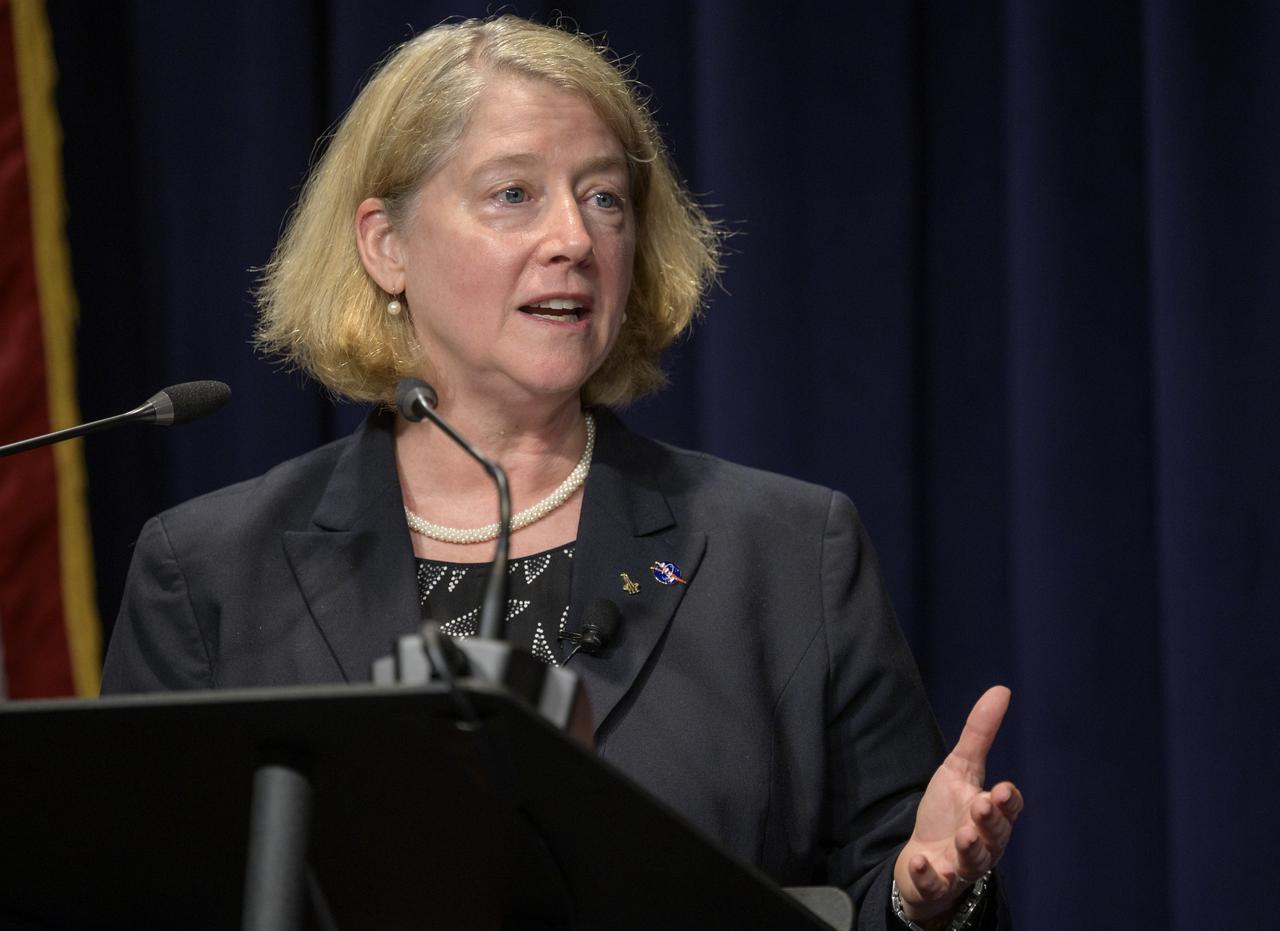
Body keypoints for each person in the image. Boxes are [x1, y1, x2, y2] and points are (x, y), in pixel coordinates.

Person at [102, 16, 1022, 929]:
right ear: (385, 244)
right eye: (513, 193)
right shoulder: (211, 573)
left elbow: (897, 880)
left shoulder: (785, 552)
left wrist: (919, 899)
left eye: (605, 198)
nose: (575, 239)